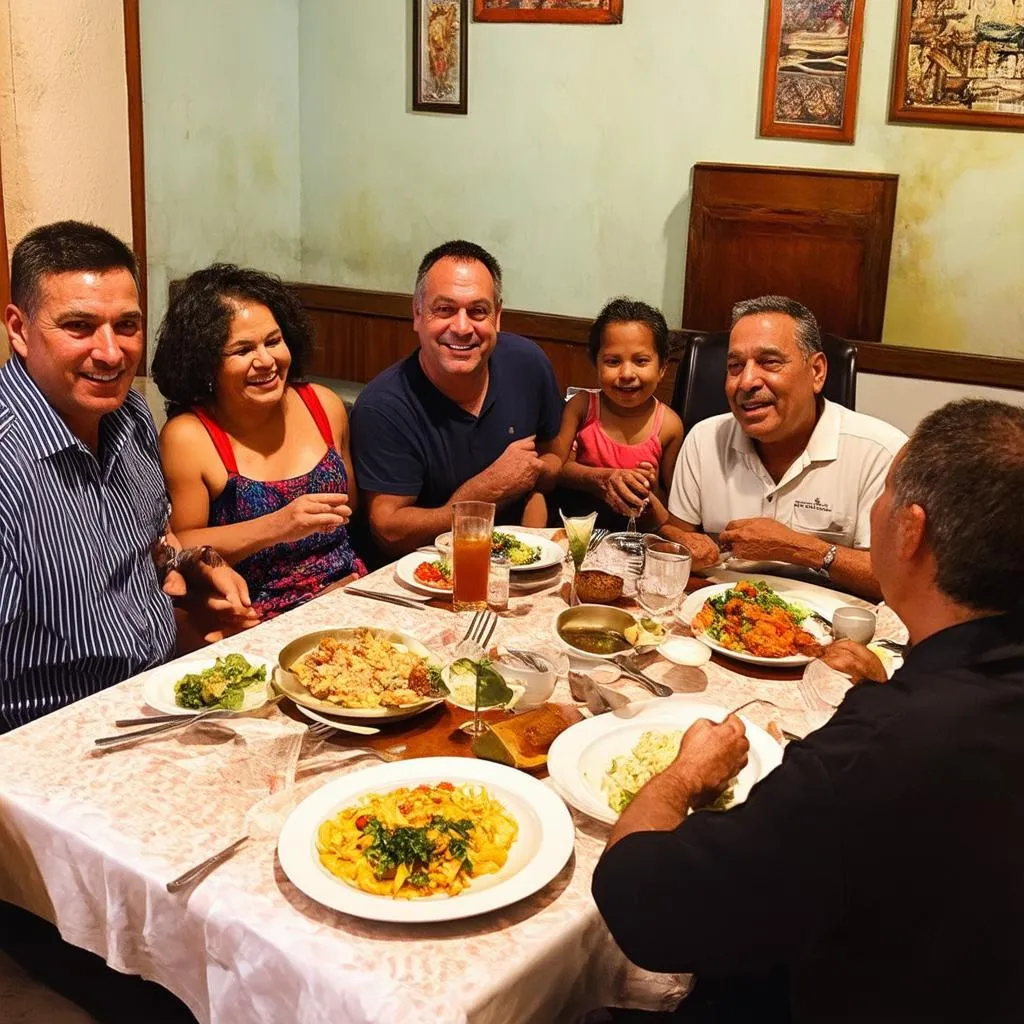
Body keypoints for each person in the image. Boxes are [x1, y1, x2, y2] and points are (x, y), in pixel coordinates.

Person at [592, 398, 1024, 1023]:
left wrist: (685, 775)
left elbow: (639, 901)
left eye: (886, 495)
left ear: (911, 531)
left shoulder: (871, 756)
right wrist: (883, 693)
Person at [0, 222, 254, 732]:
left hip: (161, 698)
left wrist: (197, 564)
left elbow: (155, 543)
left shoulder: (130, 414)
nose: (111, 352)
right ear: (18, 329)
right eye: (79, 326)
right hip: (53, 743)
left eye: (127, 325)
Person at [152, 264, 365, 620]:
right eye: (242, 350)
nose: (266, 361)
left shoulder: (324, 406)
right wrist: (280, 525)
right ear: (205, 363)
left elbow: (350, 512)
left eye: (273, 341)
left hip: (348, 592)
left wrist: (342, 593)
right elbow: (182, 546)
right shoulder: (189, 436)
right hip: (254, 617)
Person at [661, 296, 906, 599]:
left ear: (817, 371)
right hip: (718, 613)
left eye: (769, 362)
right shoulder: (704, 439)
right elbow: (674, 533)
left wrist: (800, 549)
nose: (747, 381)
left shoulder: (880, 452)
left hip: (829, 629)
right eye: (735, 366)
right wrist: (683, 544)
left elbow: (895, 582)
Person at [349, 240, 564, 560]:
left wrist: (534, 492)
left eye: (478, 311)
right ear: (417, 314)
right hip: (426, 577)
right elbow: (389, 532)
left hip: (522, 561)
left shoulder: (527, 363)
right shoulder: (384, 407)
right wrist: (482, 495)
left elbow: (554, 455)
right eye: (445, 310)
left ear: (498, 317)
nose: (462, 328)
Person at [538, 297, 684, 532]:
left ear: (663, 367)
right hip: (576, 532)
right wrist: (602, 478)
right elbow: (556, 467)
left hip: (635, 540)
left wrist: (650, 488)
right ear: (596, 364)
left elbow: (673, 505)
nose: (627, 373)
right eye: (613, 361)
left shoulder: (669, 426)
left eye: (641, 361)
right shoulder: (582, 407)